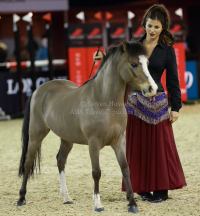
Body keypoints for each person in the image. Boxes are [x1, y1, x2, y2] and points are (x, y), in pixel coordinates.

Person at [94, 4, 186, 203]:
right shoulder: (134, 47)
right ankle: (142, 189)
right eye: (149, 26)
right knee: (138, 148)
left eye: (157, 27)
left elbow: (173, 80)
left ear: (163, 28)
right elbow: (117, 57)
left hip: (159, 104)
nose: (152, 30)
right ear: (144, 24)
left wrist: (176, 107)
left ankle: (161, 190)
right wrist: (103, 56)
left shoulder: (167, 51)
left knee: (161, 148)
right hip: (135, 103)